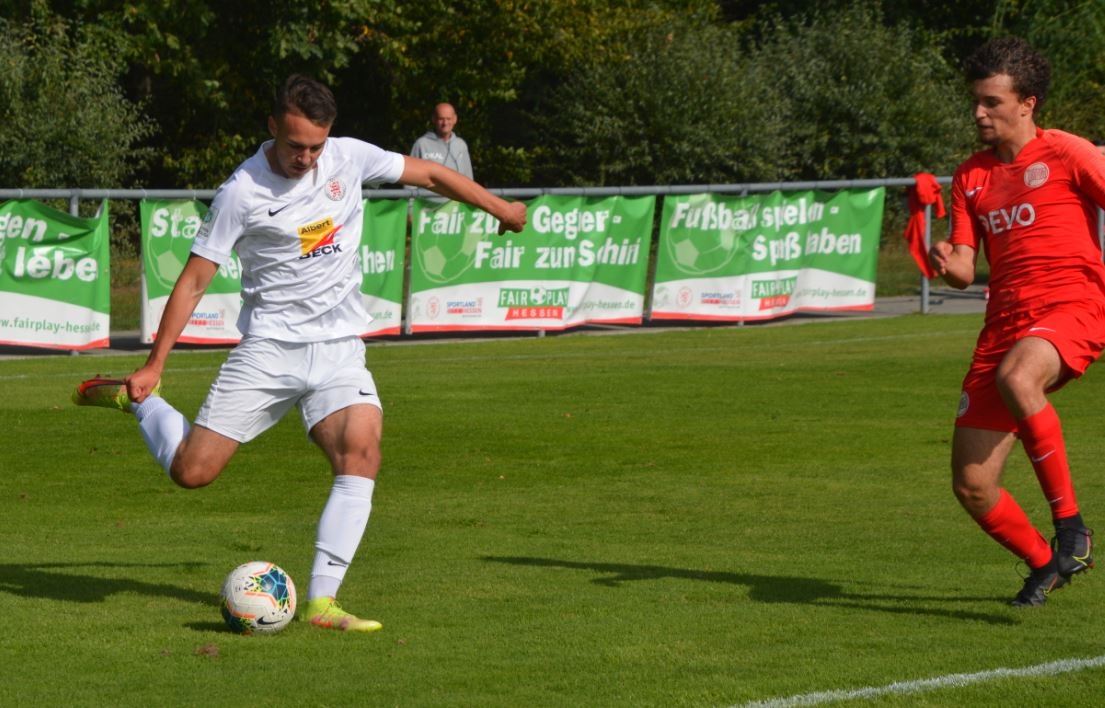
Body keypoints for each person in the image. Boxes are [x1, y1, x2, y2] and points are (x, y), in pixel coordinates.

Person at [72, 74, 526, 631]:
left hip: (338, 349)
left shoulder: (348, 157)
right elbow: (193, 280)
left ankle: (322, 603)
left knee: (361, 452)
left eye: (316, 146)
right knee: (193, 472)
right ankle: (140, 403)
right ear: (272, 127)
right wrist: (155, 365)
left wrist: (499, 208)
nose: (306, 158)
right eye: (295, 146)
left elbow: (430, 173)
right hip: (270, 351)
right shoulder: (242, 191)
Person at [929, 36, 1105, 607]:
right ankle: (1045, 562)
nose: (978, 113)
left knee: (1019, 376)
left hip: (1071, 306)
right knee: (972, 486)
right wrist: (944, 258)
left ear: (1027, 103)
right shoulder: (970, 176)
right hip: (1002, 325)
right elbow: (964, 269)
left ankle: (1072, 528)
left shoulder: (1068, 152)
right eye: (975, 101)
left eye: (992, 102)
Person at [410, 102, 473, 178]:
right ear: (434, 119)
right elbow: (410, 177)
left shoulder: (461, 145)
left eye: (448, 119)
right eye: (441, 119)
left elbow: (468, 177)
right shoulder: (421, 144)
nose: (445, 123)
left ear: (455, 119)